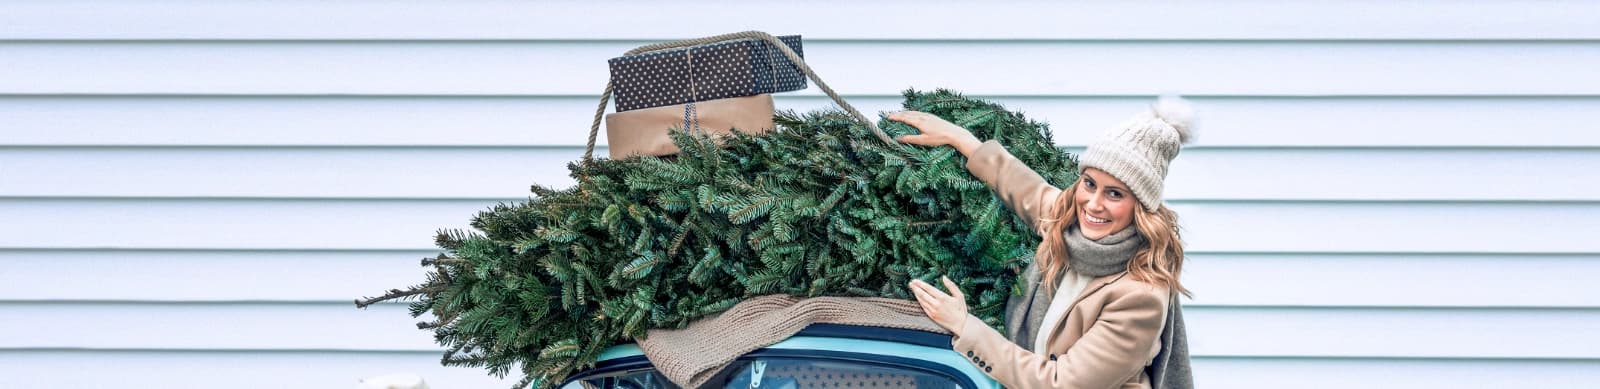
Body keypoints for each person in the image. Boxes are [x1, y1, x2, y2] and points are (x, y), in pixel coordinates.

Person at [891, 97, 1196, 389]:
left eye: (1114, 194)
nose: (1093, 204)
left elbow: (1061, 383)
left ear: (1140, 206)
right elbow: (1025, 188)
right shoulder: (1070, 223)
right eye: (1089, 184)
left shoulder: (1140, 297)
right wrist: (960, 138)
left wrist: (965, 325)